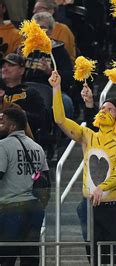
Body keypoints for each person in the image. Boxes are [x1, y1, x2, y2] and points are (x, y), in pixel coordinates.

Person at [51, 71, 116, 264]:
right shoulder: (88, 135)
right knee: (94, 259)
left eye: (110, 109)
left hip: (114, 209)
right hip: (90, 208)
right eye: (102, 108)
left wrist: (102, 187)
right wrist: (56, 88)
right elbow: (60, 120)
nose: (103, 111)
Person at [0, 108, 48, 266]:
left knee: (6, 259)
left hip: (10, 209)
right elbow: (46, 181)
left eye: (3, 122)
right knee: (30, 259)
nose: (0, 125)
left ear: (12, 126)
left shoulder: (3, 146)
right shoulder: (37, 147)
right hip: (34, 210)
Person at [0, 53, 48, 139]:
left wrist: (19, 114)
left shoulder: (31, 93)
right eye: (3, 66)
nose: (5, 69)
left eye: (10, 65)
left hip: (22, 140)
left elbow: (41, 120)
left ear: (22, 70)